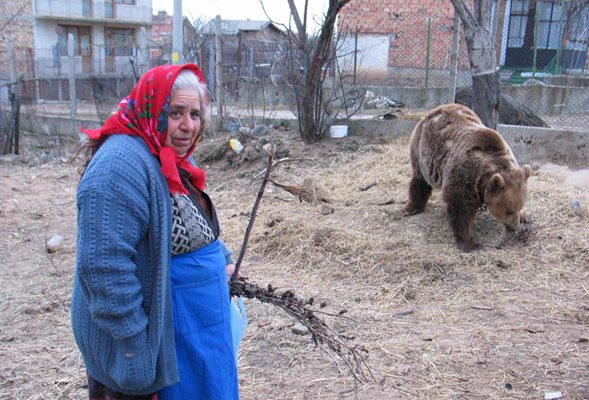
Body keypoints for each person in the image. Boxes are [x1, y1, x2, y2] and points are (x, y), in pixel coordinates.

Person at [71, 64, 240, 399]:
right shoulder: (118, 168)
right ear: (151, 106)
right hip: (155, 343)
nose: (188, 125)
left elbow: (190, 226)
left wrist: (221, 261)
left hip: (195, 333)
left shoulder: (163, 158)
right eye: (175, 112)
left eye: (195, 114)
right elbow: (104, 269)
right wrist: (134, 349)